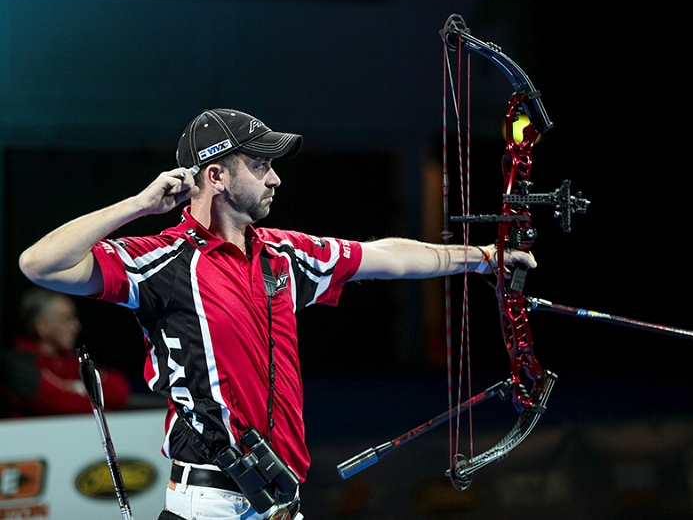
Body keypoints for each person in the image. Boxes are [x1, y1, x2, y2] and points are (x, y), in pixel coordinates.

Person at [18, 108, 537, 520]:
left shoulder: (283, 255)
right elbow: (39, 263)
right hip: (211, 503)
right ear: (216, 175)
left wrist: (484, 257)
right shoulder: (162, 261)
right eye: (260, 166)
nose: (276, 179)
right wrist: (137, 205)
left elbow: (387, 256)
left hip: (278, 499)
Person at [1, 288, 130, 416]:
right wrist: (90, 398)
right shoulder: (15, 365)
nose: (76, 327)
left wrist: (73, 392)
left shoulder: (76, 361)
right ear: (42, 325)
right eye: (67, 319)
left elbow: (120, 390)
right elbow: (57, 404)